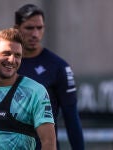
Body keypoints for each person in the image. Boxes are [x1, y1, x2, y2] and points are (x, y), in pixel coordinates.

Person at [0, 28, 56, 150]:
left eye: (17, 55)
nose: (12, 60)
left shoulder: (36, 92)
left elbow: (49, 143)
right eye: (6, 53)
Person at [13, 4, 85, 150]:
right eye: (29, 28)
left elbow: (72, 118)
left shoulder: (58, 66)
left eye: (40, 28)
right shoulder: (5, 65)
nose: (35, 34)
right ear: (16, 28)